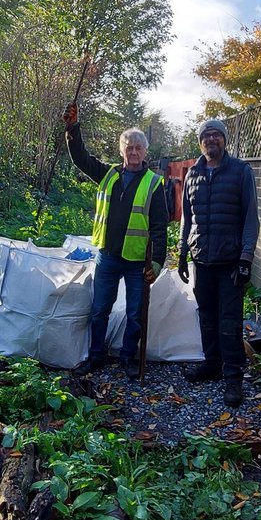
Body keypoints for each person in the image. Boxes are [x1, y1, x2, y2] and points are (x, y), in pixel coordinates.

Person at [62, 102, 168, 379]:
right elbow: (81, 159)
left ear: (145, 152)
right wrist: (73, 129)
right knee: (99, 310)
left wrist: (157, 261)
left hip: (136, 262)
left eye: (138, 148)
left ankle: (128, 359)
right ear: (121, 151)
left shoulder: (154, 184)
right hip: (107, 257)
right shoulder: (108, 174)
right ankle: (96, 356)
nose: (133, 152)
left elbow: (159, 226)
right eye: (128, 147)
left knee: (135, 314)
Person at [177, 118, 259, 407]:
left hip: (230, 262)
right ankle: (212, 364)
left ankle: (234, 378)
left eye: (216, 135)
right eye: (206, 136)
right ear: (200, 142)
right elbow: (188, 217)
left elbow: (251, 218)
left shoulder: (240, 171)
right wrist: (182, 253)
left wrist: (246, 257)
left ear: (224, 140)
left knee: (230, 322)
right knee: (207, 317)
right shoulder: (192, 174)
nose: (211, 140)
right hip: (202, 259)